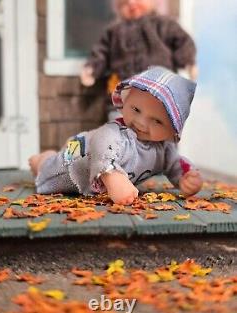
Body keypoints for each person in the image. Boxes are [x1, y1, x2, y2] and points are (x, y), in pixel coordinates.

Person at [29, 66, 203, 205]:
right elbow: (102, 144)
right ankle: (41, 159)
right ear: (126, 100)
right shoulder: (116, 132)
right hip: (74, 161)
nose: (141, 123)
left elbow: (175, 164)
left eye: (157, 121)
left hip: (90, 171)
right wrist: (111, 175)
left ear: (172, 131)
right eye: (136, 109)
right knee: (50, 166)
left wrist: (186, 177)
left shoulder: (165, 148)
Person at [80, 0, 198, 119]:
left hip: (159, 96)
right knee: (120, 128)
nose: (131, 3)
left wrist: (187, 61)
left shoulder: (164, 24)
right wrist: (92, 68)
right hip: (125, 99)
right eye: (124, 3)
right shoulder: (114, 31)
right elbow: (101, 51)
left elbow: (183, 42)